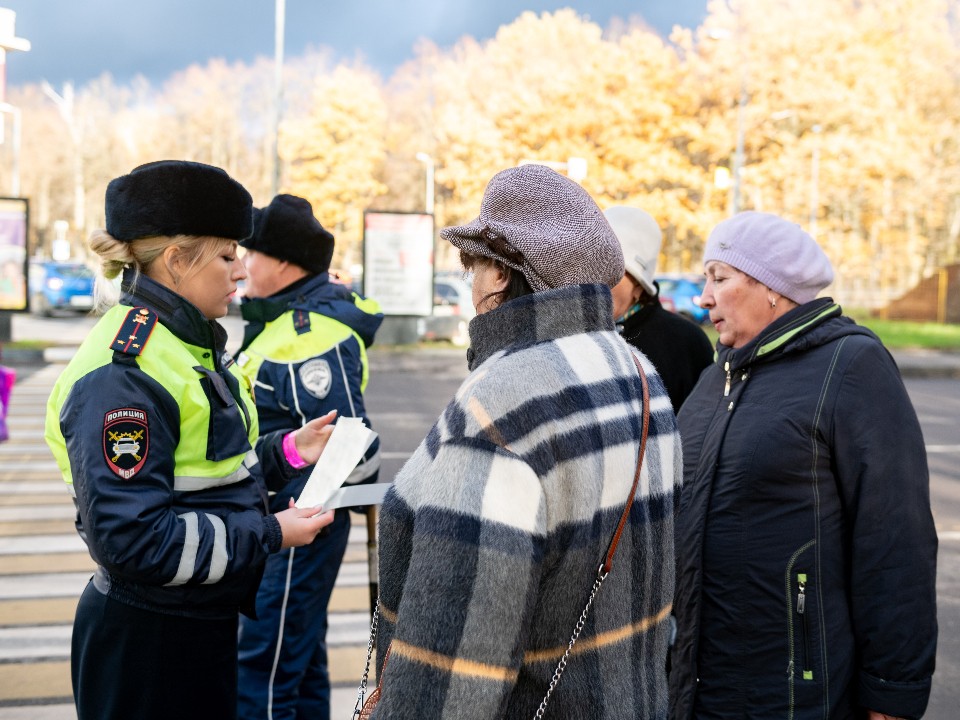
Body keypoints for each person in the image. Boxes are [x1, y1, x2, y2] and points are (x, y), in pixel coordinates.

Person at [367, 164, 682, 719]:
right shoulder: (640, 372)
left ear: (498, 275)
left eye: (474, 266)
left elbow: (454, 661)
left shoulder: (504, 400)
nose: (470, 284)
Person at [44, 161, 338, 720]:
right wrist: (270, 533)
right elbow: (133, 540)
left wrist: (290, 452)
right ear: (177, 260)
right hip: (149, 640)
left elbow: (207, 468)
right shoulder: (125, 371)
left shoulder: (180, 344)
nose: (240, 273)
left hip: (190, 623)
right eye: (227, 256)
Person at [670, 211, 938, 720]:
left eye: (718, 278)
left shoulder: (851, 366)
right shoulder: (716, 377)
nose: (703, 298)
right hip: (698, 686)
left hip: (796, 694)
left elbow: (895, 539)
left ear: (770, 286)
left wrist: (893, 691)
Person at [235, 193, 383, 720]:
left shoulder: (309, 333)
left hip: (295, 522)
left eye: (249, 253)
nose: (240, 264)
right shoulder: (282, 323)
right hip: (283, 519)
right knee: (297, 655)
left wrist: (304, 512)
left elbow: (350, 444)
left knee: (265, 663)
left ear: (281, 261)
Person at [604, 206, 713, 412]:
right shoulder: (566, 334)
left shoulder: (685, 343)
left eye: (613, 272)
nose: (597, 280)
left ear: (639, 285)